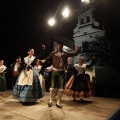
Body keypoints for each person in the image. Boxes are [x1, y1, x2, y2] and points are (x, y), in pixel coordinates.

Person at [40, 41, 81, 108]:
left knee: (61, 89)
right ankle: (50, 100)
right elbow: (47, 58)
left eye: (60, 45)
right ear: (57, 46)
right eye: (58, 45)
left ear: (62, 46)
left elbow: (75, 54)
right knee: (52, 87)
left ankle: (58, 102)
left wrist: (78, 50)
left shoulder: (65, 53)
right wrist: (42, 61)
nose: (59, 46)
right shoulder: (53, 53)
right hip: (54, 71)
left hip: (61, 72)